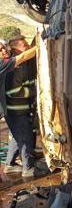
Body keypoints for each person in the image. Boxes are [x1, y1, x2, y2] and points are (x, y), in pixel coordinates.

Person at [0, 32, 37, 176]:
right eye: (24, 44)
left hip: (10, 111)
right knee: (26, 137)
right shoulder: (10, 66)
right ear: (15, 48)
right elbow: (15, 91)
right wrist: (36, 91)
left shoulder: (10, 64)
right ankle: (28, 169)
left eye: (3, 48)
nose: (3, 51)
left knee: (17, 137)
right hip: (16, 111)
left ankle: (9, 165)